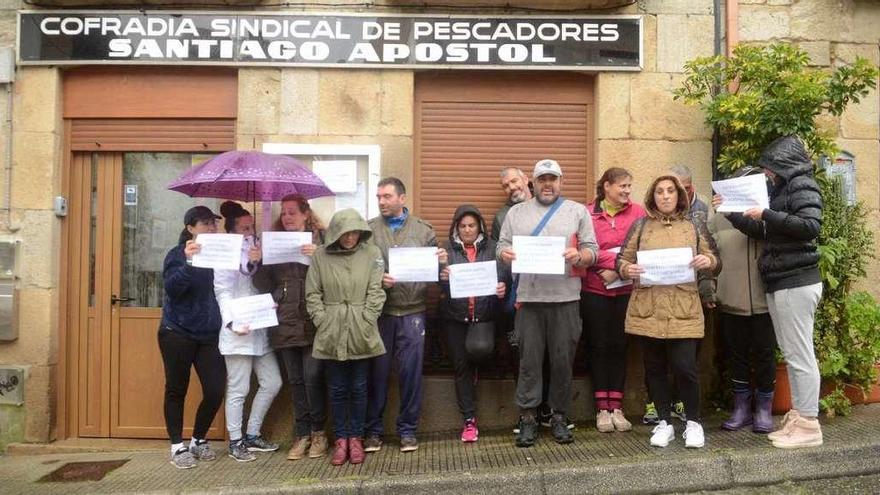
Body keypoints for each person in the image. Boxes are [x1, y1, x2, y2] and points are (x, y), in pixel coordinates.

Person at [714, 135, 824, 449]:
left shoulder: (802, 185)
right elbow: (765, 230)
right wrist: (732, 213)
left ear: (785, 164)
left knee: (800, 355)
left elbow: (810, 226)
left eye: (770, 167)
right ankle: (800, 415)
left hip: (796, 280)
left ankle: (808, 425)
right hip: (781, 280)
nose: (767, 173)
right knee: (792, 354)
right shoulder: (784, 190)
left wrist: (766, 214)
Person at [497, 158, 598, 448]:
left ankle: (558, 415)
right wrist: (505, 254)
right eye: (542, 179)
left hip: (566, 298)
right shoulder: (516, 213)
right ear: (534, 182)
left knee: (563, 360)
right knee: (528, 361)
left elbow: (592, 248)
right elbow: (502, 245)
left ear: (561, 182)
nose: (548, 184)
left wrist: (580, 257)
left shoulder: (577, 211)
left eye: (553, 179)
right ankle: (528, 417)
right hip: (528, 299)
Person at [616, 175, 720, 449]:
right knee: (654, 369)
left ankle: (694, 423)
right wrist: (628, 270)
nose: (665, 196)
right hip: (648, 308)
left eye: (670, 191)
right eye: (660, 191)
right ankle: (664, 422)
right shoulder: (641, 226)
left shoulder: (693, 225)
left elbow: (715, 261)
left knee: (686, 368)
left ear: (679, 196)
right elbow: (622, 261)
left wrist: (706, 260)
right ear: (652, 196)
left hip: (683, 308)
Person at [363, 177, 447, 454]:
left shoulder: (424, 231)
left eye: (387, 196)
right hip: (382, 313)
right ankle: (373, 430)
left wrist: (442, 264)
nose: (381, 202)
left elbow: (437, 275)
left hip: (413, 312)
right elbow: (360, 269)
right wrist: (378, 280)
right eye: (378, 197)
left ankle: (408, 430)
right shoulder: (369, 230)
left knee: (411, 375)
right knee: (378, 373)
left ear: (402, 198)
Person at [305, 208, 387, 466]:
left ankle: (356, 437)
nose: (350, 237)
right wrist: (323, 320)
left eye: (354, 232)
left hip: (361, 327)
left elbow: (377, 290)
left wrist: (367, 318)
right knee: (338, 388)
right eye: (345, 232)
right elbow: (312, 294)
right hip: (332, 328)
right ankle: (341, 439)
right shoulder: (320, 256)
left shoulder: (372, 254)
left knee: (360, 387)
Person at [253, 195, 329, 461]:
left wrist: (319, 256)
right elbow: (264, 286)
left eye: (292, 212)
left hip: (313, 322)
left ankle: (319, 433)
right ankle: (302, 434)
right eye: (284, 213)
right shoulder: (273, 243)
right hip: (284, 322)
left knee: (313, 378)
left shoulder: (323, 240)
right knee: (295, 382)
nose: (286, 217)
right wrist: (260, 260)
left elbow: (335, 275)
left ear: (306, 214)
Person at [709, 167, 777, 434]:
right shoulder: (719, 218)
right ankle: (740, 407)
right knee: (736, 355)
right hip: (731, 297)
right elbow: (711, 257)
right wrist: (712, 290)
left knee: (764, 353)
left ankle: (764, 408)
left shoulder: (769, 215)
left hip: (764, 299)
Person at [159, 205, 226, 469]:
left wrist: (252, 261)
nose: (212, 228)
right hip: (177, 332)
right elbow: (173, 289)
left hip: (208, 334)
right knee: (177, 389)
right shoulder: (177, 254)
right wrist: (188, 262)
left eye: (214, 223)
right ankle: (177, 446)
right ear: (190, 228)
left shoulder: (220, 254)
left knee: (215, 389)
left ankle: (198, 439)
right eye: (205, 223)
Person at [215, 201, 282, 462]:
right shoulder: (225, 252)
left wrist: (261, 262)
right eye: (244, 228)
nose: (249, 230)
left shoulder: (259, 246)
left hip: (260, 326)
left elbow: (265, 284)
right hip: (237, 329)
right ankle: (235, 441)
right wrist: (231, 322)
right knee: (239, 387)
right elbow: (222, 291)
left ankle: (252, 434)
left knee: (272, 381)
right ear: (232, 231)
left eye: (251, 225)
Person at [580, 167, 646, 433]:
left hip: (625, 290)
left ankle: (617, 406)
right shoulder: (587, 213)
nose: (627, 191)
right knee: (598, 346)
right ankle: (601, 408)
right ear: (606, 186)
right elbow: (585, 249)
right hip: (595, 289)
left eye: (630, 186)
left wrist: (618, 266)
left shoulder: (639, 213)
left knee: (620, 345)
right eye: (622, 186)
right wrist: (614, 262)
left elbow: (644, 247)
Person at [439, 204, 507, 443]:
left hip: (484, 316)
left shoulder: (492, 249)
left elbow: (504, 277)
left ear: (480, 226)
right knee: (461, 368)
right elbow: (440, 288)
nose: (467, 230)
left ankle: (478, 367)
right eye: (463, 226)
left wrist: (502, 288)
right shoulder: (446, 250)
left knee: (480, 351)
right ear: (456, 227)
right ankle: (469, 420)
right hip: (455, 318)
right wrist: (442, 276)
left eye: (472, 225)